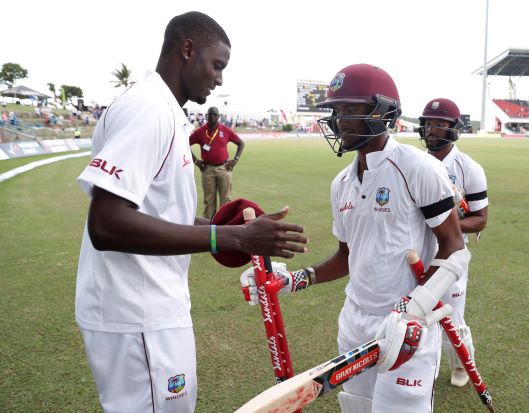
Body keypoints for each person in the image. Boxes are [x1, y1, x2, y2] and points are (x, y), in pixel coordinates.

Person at [75, 12, 307, 413]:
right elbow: (106, 223)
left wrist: (221, 225)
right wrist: (230, 237)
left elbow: (156, 209)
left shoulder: (163, 110)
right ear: (187, 50)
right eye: (217, 65)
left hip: (146, 309)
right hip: (138, 312)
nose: (219, 79)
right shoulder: (149, 109)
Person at [240, 64, 469, 412]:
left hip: (408, 326)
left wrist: (412, 311)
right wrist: (295, 279)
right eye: (336, 110)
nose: (339, 120)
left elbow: (455, 249)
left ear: (382, 111)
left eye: (350, 109)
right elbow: (347, 257)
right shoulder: (341, 183)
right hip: (355, 321)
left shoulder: (418, 167)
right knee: (357, 407)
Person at [418, 98, 489, 387]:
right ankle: (422, 368)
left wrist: (443, 225)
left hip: (452, 256)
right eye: (428, 123)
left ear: (454, 128)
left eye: (439, 124)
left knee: (453, 320)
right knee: (417, 315)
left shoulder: (469, 168)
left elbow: (481, 219)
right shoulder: (414, 162)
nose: (432, 130)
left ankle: (461, 366)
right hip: (416, 253)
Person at [189, 106, 244, 218]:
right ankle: (208, 228)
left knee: (226, 200)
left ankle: (225, 226)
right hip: (207, 169)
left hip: (224, 168)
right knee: (209, 201)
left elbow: (241, 143)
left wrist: (235, 160)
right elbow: (184, 143)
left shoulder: (225, 130)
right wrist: (196, 161)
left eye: (215, 114)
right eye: (210, 114)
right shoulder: (200, 132)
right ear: (206, 116)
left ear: (218, 116)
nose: (212, 116)